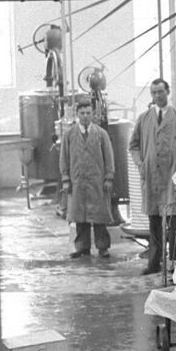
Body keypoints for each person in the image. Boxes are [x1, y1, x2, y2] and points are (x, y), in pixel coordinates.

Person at [129, 77, 176, 275]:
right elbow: (134, 145)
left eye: (160, 92)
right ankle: (154, 263)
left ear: (168, 92)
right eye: (154, 93)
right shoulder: (144, 118)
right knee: (154, 222)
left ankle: (174, 263)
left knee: (174, 222)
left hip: (173, 178)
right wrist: (140, 163)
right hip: (151, 177)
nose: (157, 96)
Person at [59, 100, 114, 259]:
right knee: (80, 216)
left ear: (93, 114)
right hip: (77, 181)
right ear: (77, 114)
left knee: (99, 217)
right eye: (82, 113)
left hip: (98, 181)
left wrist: (109, 177)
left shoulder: (101, 134)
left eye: (88, 113)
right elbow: (64, 158)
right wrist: (65, 179)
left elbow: (109, 157)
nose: (85, 116)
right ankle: (82, 247)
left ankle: (103, 247)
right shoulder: (69, 135)